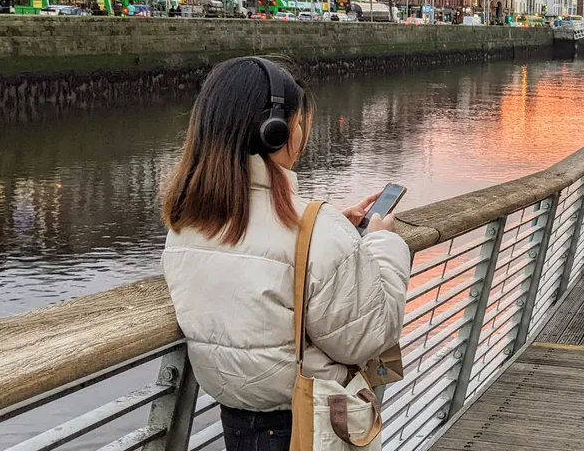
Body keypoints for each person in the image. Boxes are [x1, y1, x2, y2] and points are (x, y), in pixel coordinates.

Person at [160, 57, 411, 451]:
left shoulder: (183, 225)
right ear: (273, 132)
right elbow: (367, 338)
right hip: (306, 422)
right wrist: (383, 243)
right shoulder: (319, 230)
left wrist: (327, 233)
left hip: (235, 423)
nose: (300, 132)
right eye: (297, 122)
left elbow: (255, 259)